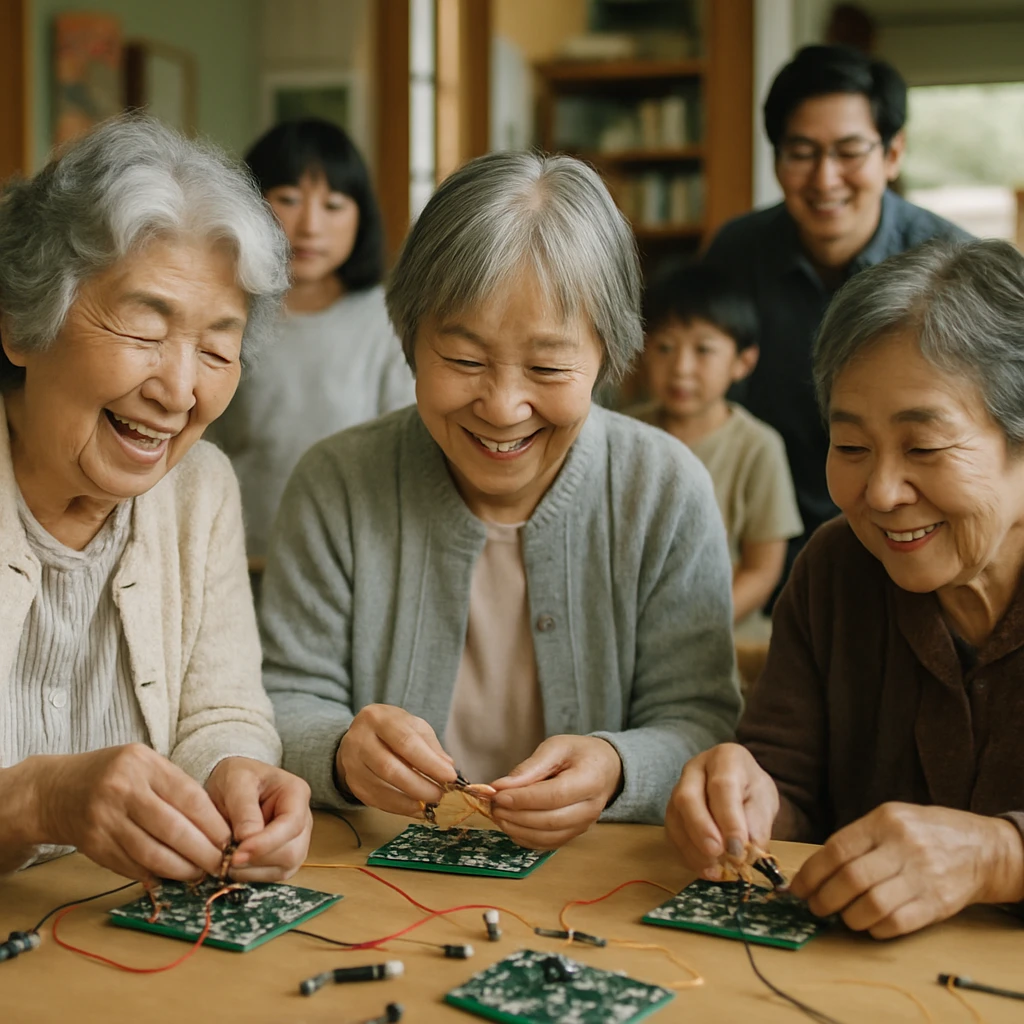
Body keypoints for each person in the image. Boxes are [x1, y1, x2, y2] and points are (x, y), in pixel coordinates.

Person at [260, 151, 742, 850]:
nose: (504, 406)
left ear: (607, 357)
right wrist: (340, 751)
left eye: (547, 367)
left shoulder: (664, 489)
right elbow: (281, 698)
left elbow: (700, 722)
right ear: (409, 339)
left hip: (593, 881)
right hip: (378, 878)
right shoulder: (338, 483)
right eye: (465, 361)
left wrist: (617, 766)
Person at [667, 239, 1024, 938]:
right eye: (852, 447)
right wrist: (744, 795)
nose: (881, 493)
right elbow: (787, 783)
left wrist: (998, 855)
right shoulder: (836, 566)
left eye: (924, 447)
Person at [0, 115, 313, 881]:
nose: (178, 391)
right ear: (22, 324)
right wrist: (35, 800)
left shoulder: (200, 490)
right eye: (144, 331)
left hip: (109, 931)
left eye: (217, 349)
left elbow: (221, 710)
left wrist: (236, 773)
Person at [704, 44, 969, 577]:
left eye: (849, 152)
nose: (825, 179)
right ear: (777, 159)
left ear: (892, 154)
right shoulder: (735, 254)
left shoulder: (953, 265)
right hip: (764, 546)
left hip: (913, 537)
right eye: (802, 153)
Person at [209, 119, 415, 560]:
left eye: (334, 204)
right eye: (289, 199)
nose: (310, 226)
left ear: (361, 216)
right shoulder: (222, 314)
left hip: (350, 560)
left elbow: (407, 452)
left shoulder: (388, 322)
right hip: (237, 555)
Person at [628, 264, 802, 638]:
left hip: (726, 636)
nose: (681, 368)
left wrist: (697, 629)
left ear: (743, 362)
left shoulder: (758, 447)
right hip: (632, 632)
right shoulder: (622, 434)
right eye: (664, 347)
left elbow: (762, 570)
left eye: (703, 350)